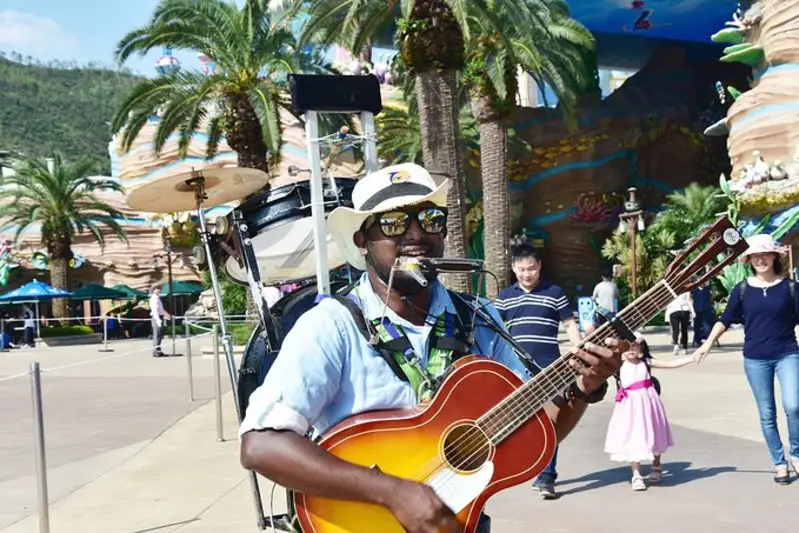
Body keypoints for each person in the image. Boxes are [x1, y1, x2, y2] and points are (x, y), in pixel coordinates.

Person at [238, 163, 624, 533]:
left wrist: (581, 390)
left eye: (430, 219)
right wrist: (392, 492)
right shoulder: (331, 326)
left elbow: (536, 428)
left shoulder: (478, 318)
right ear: (362, 240)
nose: (416, 234)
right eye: (393, 222)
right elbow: (260, 445)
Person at [694, 234, 799, 485]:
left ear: (775, 256)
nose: (760, 259)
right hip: (755, 358)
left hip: (787, 353)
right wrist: (706, 344)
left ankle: (796, 453)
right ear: (749, 260)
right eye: (755, 255)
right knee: (767, 413)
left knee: (794, 406)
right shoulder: (741, 289)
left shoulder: (791, 288)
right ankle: (779, 463)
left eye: (765, 254)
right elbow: (725, 319)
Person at [495, 245, 583, 500]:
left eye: (531, 268)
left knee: (550, 422)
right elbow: (497, 331)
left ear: (539, 266)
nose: (527, 274)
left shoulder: (554, 293)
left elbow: (568, 323)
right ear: (513, 268)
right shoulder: (504, 297)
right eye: (521, 269)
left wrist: (578, 349)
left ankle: (546, 477)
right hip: (515, 370)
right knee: (518, 424)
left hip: (550, 369)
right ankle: (516, 470)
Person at [604, 335, 695, 491]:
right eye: (628, 346)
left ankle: (656, 465)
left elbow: (670, 364)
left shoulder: (646, 363)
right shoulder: (619, 364)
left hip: (649, 403)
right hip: (629, 406)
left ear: (641, 348)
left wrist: (692, 358)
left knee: (654, 432)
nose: (632, 349)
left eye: (635, 346)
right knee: (632, 435)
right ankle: (636, 475)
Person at [149, 285, 171, 357]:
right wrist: (158, 319)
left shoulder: (158, 298)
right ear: (154, 290)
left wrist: (165, 315)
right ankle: (155, 351)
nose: (159, 290)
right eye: (157, 289)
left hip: (160, 316)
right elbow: (155, 310)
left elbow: (161, 309)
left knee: (159, 335)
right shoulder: (154, 298)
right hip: (156, 317)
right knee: (157, 334)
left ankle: (158, 350)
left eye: (159, 289)